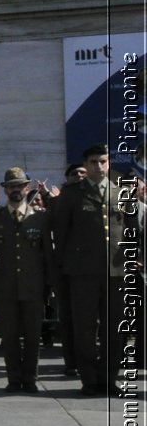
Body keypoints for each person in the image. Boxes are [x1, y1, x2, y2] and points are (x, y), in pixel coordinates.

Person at [51, 144, 142, 396]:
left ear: (109, 163)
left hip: (116, 272)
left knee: (114, 328)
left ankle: (109, 378)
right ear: (86, 165)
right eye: (93, 162)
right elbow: (61, 233)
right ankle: (89, 379)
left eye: (103, 161)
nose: (99, 166)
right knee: (85, 327)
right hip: (82, 273)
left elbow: (132, 231)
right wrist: (62, 270)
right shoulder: (71, 194)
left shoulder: (122, 193)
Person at [0, 167, 51, 393]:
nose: (16, 190)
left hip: (33, 285)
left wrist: (49, 284)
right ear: (5, 190)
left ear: (27, 188)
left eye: (20, 186)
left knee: (32, 335)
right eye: (11, 186)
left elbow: (47, 253)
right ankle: (13, 378)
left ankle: (30, 378)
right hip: (5, 285)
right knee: (9, 336)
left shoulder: (39, 217)